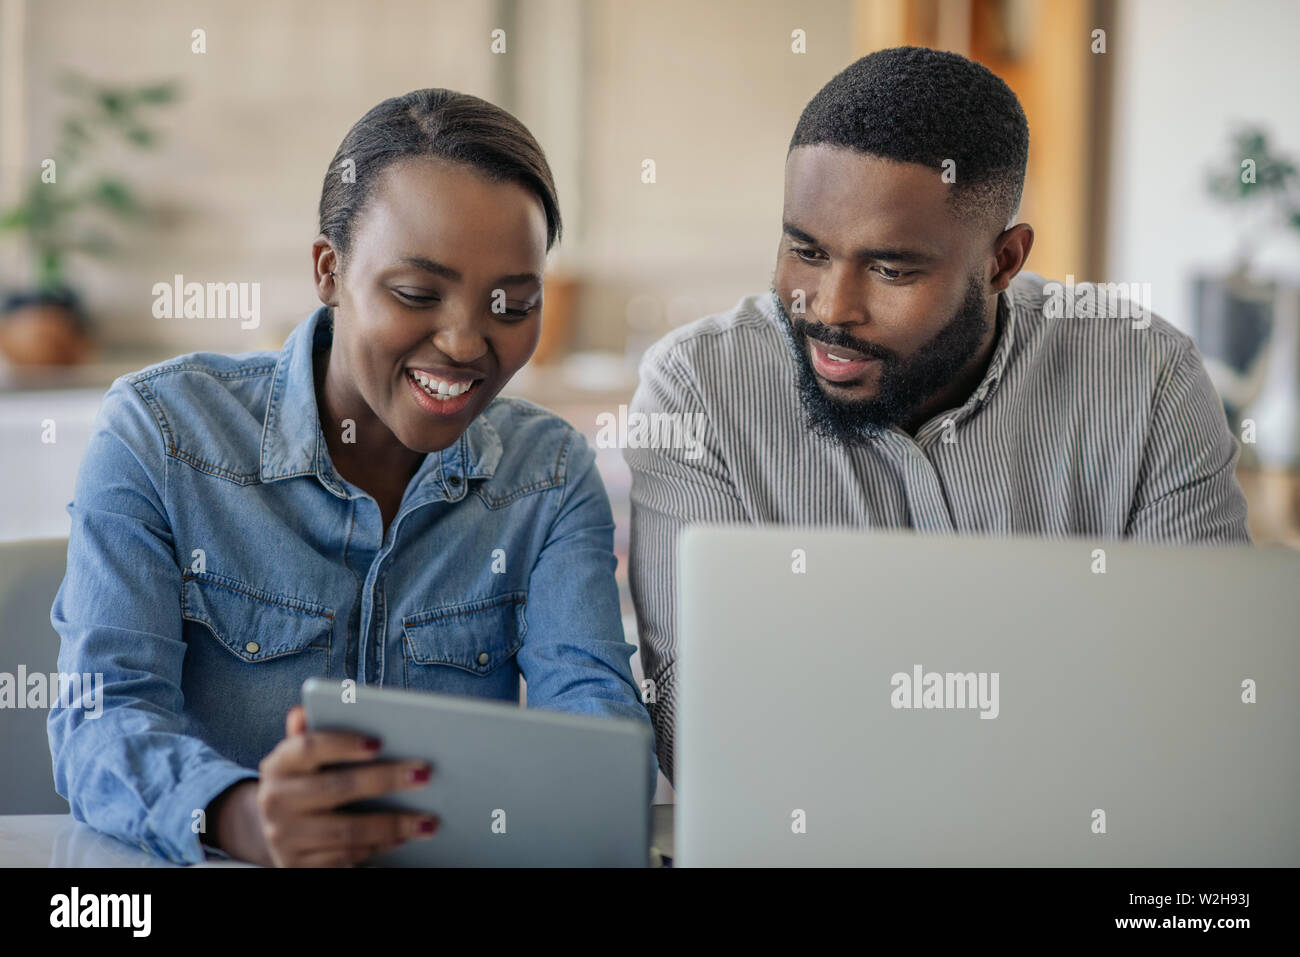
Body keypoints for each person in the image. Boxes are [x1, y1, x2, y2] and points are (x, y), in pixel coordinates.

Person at [48, 88, 657, 867]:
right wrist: (243, 815)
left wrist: (590, 778)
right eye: (416, 293)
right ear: (329, 271)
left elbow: (599, 723)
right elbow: (99, 718)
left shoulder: (548, 475)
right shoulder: (162, 435)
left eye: (512, 303)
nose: (466, 342)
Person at [625, 46, 1251, 787]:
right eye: (806, 250)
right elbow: (700, 728)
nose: (829, 308)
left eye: (891, 270)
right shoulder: (697, 388)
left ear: (1003, 261)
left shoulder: (1148, 380)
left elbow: (1206, 698)